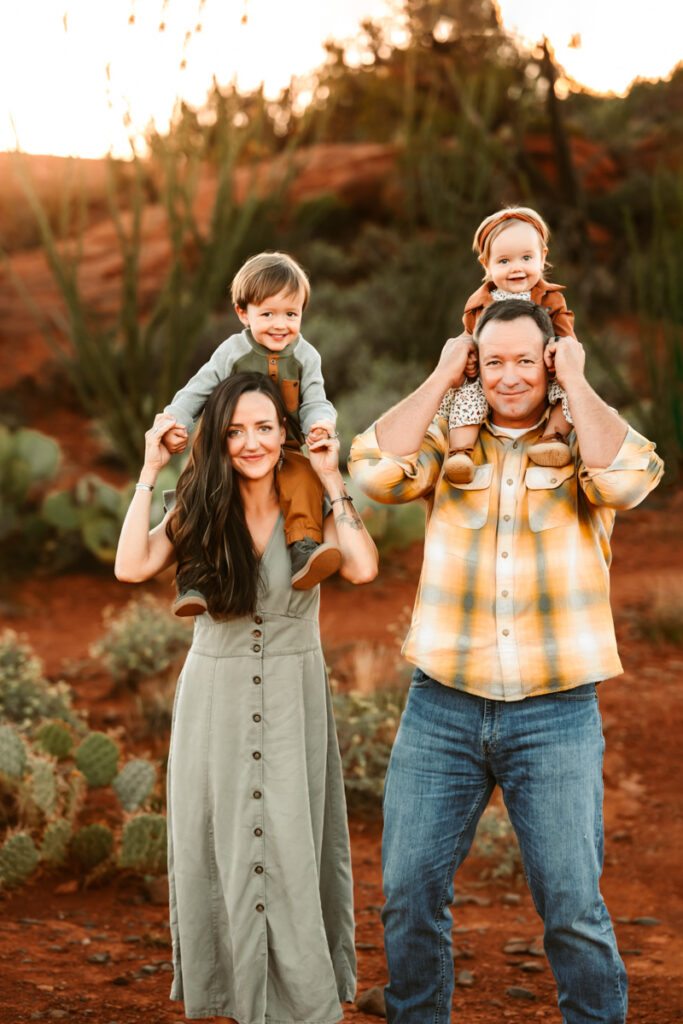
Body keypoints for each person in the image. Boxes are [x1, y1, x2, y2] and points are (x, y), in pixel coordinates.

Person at [348, 299, 664, 1024]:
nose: (510, 376)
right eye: (494, 362)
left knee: (570, 907)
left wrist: (575, 383)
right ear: (475, 366)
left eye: (527, 359)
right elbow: (372, 471)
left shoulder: (582, 441)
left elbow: (628, 480)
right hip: (441, 706)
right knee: (407, 896)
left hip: (555, 713)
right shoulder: (448, 442)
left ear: (549, 359)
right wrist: (440, 375)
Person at [115, 372, 378, 1024]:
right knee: (224, 846)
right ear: (218, 437)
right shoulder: (201, 502)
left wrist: (332, 478)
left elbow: (364, 567)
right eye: (234, 431)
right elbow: (131, 565)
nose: (250, 442)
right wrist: (151, 470)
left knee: (291, 848)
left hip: (293, 695)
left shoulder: (310, 502)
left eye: (264, 427)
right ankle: (236, 999)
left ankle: (304, 1005)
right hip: (218, 696)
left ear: (284, 431)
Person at [161, 251, 340, 616]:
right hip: (226, 446)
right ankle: (194, 571)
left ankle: (303, 547)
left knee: (305, 478)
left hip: (283, 445)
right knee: (197, 490)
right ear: (244, 313)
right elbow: (198, 389)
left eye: (291, 314)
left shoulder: (306, 356)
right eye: (268, 314)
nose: (281, 325)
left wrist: (320, 425)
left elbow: (315, 400)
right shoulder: (232, 351)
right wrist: (175, 422)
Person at [440, 206, 576, 484]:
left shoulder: (551, 300)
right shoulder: (478, 304)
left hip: (543, 370)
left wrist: (561, 354)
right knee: (467, 398)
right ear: (485, 265)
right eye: (503, 261)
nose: (516, 268)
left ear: (542, 258)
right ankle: (460, 453)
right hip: (492, 374)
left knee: (568, 394)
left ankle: (554, 437)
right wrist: (468, 360)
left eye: (526, 258)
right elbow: (469, 339)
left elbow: (567, 338)